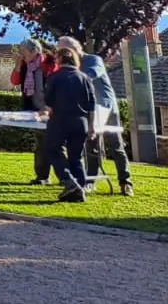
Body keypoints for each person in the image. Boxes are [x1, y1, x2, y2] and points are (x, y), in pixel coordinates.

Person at [56, 36, 133, 197]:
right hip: (88, 108)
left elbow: (93, 74)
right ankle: (90, 181)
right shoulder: (71, 66)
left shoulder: (93, 60)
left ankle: (125, 182)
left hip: (106, 107)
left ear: (75, 49)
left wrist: (74, 79)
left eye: (65, 51)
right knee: (91, 146)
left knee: (116, 145)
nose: (63, 55)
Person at [42, 46, 98, 203]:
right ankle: (79, 189)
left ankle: (68, 180)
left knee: (53, 150)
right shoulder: (85, 78)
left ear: (59, 59)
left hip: (60, 120)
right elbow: (91, 105)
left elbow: (48, 101)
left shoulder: (55, 77)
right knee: (76, 156)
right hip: (81, 122)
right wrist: (92, 126)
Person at [10, 39, 57, 184]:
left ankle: (65, 177)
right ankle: (43, 176)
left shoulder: (48, 63)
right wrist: (18, 65)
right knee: (41, 142)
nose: (21, 55)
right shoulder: (25, 65)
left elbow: (56, 85)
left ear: (34, 51)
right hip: (35, 110)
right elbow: (15, 81)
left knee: (56, 144)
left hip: (51, 109)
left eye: (24, 52)